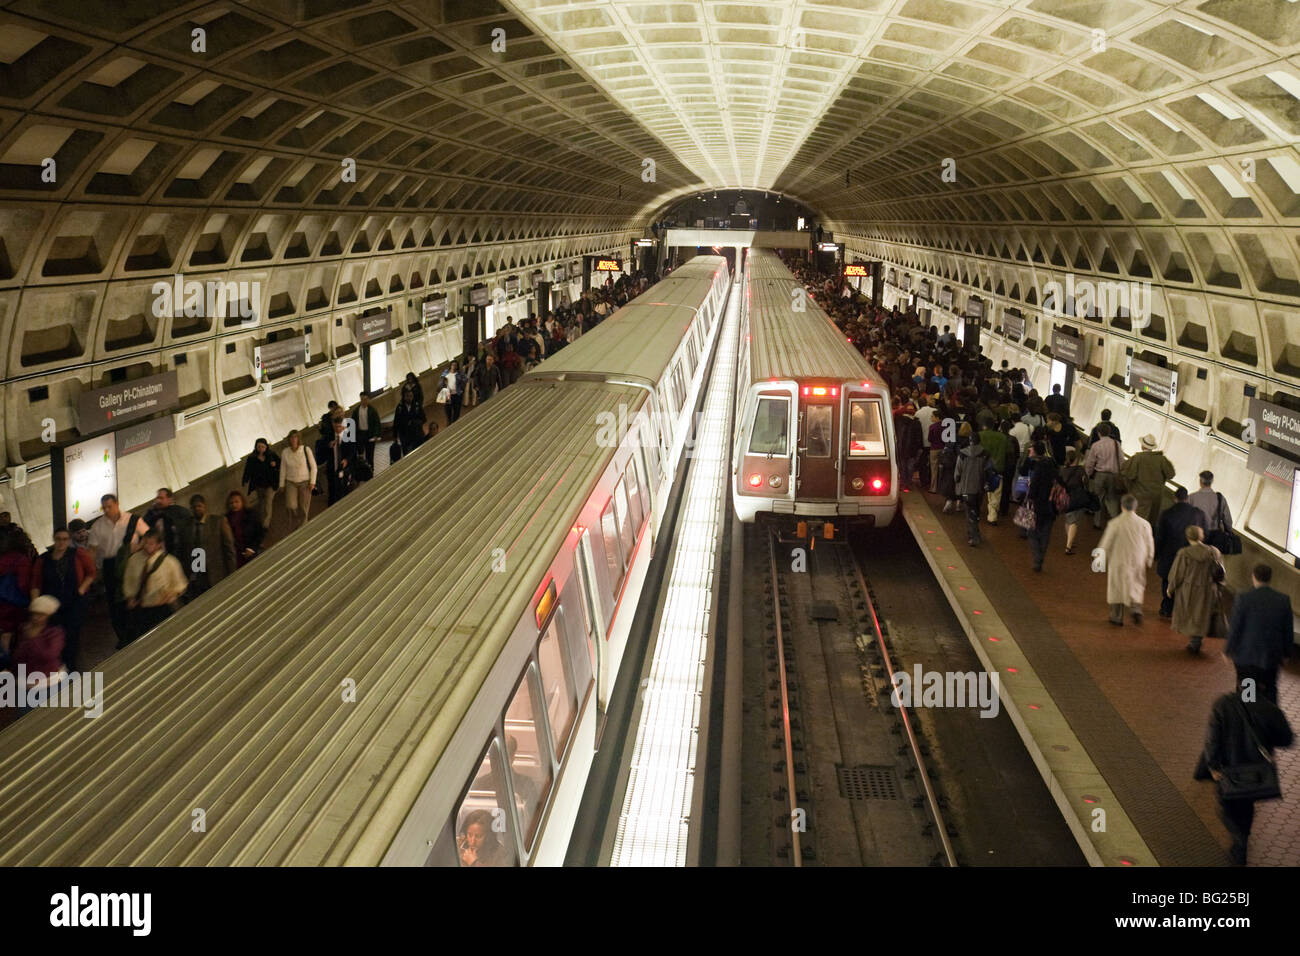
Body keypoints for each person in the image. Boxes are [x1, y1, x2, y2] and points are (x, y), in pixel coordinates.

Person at [1194, 691, 1293, 865]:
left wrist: (1213, 765)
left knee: (1228, 807)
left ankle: (1240, 843)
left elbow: (1212, 739)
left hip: (1229, 770)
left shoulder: (1223, 704)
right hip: (1256, 773)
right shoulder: (1269, 708)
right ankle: (1243, 837)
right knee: (1245, 806)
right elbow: (1286, 739)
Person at [85, 494, 149, 646]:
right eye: (104, 507)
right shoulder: (97, 526)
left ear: (117, 504)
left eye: (109, 506)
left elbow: (148, 535)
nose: (107, 510)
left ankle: (139, 630)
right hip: (110, 565)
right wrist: (91, 571)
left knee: (134, 595)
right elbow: (92, 551)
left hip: (131, 561)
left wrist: (138, 547)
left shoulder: (132, 520)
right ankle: (123, 635)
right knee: (115, 602)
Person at [1224, 564, 1293, 705]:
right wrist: (1287, 654)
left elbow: (1235, 627)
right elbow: (1287, 630)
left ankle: (1249, 720)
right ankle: (1268, 717)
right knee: (1269, 690)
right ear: (1270, 579)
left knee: (1247, 695)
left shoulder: (1243, 598)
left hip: (1246, 658)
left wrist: (1228, 650)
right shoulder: (1283, 600)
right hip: (1271, 657)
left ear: (1253, 576)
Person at [30, 526, 95, 671]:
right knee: (55, 636)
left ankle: (71, 667)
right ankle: (60, 666)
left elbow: (91, 572)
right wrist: (36, 606)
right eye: (58, 539)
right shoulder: (43, 559)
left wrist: (81, 590)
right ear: (54, 539)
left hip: (73, 601)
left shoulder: (77, 554)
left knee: (72, 635)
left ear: (69, 540)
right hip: (52, 605)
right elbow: (36, 582)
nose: (61, 543)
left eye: (65, 539)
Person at [120, 529, 187, 645]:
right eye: (145, 543)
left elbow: (180, 583)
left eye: (151, 544)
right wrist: (130, 597)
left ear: (159, 544)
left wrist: (173, 594)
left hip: (163, 608)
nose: (147, 546)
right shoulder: (133, 560)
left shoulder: (169, 561)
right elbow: (128, 581)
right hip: (142, 608)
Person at [1097, 495, 1155, 626]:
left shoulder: (1115, 523)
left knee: (1117, 588)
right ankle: (1136, 610)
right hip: (1138, 560)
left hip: (1119, 560)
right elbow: (1149, 543)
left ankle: (1116, 617)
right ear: (1136, 507)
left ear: (1122, 506)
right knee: (1136, 585)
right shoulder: (1145, 524)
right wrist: (1149, 558)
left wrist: (1098, 563)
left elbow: (1106, 543)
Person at [1167, 526, 1225, 654]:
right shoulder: (1214, 551)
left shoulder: (1184, 553)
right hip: (1208, 588)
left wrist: (1171, 588)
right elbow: (1221, 572)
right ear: (1202, 536)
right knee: (1201, 614)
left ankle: (1194, 641)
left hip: (1189, 589)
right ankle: (1197, 640)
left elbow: (1178, 574)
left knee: (1191, 614)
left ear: (1188, 537)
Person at [1154, 487, 1208, 618]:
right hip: (1191, 554)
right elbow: (1205, 533)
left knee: (1168, 580)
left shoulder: (1167, 513)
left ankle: (1167, 607)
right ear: (1187, 498)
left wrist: (1157, 554)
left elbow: (1160, 536)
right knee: (1185, 581)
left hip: (1169, 554)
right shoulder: (1199, 513)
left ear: (1175, 498)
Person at [11, 595, 66, 710]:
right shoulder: (24, 629)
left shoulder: (55, 633)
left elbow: (49, 655)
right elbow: (18, 655)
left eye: (40, 615)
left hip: (49, 683)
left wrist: (33, 638)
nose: (36, 618)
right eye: (34, 614)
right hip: (26, 684)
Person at [1019, 440, 1059, 572]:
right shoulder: (1052, 463)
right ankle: (1040, 556)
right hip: (1051, 504)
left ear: (1035, 451)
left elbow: (1031, 484)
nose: (1029, 450)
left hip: (1036, 503)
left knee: (1031, 531)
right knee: (1046, 532)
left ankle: (1038, 558)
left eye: (1031, 449)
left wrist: (1028, 496)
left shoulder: (1036, 465)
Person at [1122, 434, 1175, 526]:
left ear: (1142, 446)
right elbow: (1171, 474)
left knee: (1137, 521)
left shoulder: (1138, 458)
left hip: (1140, 496)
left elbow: (1128, 474)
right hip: (1156, 497)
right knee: (1151, 522)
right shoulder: (1161, 459)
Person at [1083, 422, 1124, 529]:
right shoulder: (1116, 444)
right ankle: (1114, 523)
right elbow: (1121, 461)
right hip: (1113, 476)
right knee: (1112, 499)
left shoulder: (1096, 445)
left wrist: (1088, 473)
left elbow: (1090, 462)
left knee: (1098, 498)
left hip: (1100, 475)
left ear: (1099, 432)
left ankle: (1097, 523)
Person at [953, 430, 991, 546]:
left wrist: (956, 480)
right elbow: (989, 470)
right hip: (980, 488)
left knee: (970, 513)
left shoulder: (962, 454)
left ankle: (974, 537)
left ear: (970, 441)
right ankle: (975, 533)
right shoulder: (985, 454)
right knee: (976, 511)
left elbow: (957, 472)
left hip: (966, 488)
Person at [189, 495, 228, 596]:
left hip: (218, 572)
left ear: (205, 506)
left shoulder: (217, 521)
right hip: (200, 575)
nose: (197, 509)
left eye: (199, 506)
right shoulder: (189, 526)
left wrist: (232, 572)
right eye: (194, 507)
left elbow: (228, 547)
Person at [279, 429, 317, 531]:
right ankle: (296, 520)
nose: (293, 440)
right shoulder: (285, 452)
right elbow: (283, 468)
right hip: (291, 482)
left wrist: (312, 482)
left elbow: (313, 467)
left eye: (295, 437)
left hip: (305, 481)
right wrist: (281, 484)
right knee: (291, 505)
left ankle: (304, 525)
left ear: (299, 439)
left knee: (304, 506)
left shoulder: (305, 449)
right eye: (291, 438)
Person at [1056, 447, 1090, 555]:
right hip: (1077, 498)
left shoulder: (1062, 470)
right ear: (1076, 459)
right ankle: (1068, 547)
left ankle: (1069, 540)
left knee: (1068, 519)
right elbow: (1086, 483)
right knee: (1074, 522)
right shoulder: (1080, 470)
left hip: (1065, 497)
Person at [315, 419, 358, 506]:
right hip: (332, 469)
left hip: (345, 469)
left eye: (339, 426)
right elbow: (321, 452)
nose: (338, 429)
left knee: (345, 490)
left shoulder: (348, 436)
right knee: (332, 491)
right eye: (336, 426)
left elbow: (352, 450)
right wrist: (328, 446)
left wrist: (346, 460)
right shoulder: (328, 437)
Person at [241, 439, 280, 530]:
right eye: (259, 447)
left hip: (270, 484)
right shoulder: (252, 458)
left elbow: (280, 462)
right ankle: (262, 521)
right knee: (261, 503)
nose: (261, 449)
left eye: (263, 447)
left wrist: (275, 464)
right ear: (256, 447)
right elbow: (248, 470)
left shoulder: (271, 455)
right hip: (259, 485)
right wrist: (245, 480)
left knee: (268, 502)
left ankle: (265, 524)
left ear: (266, 447)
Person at [1189, 471, 1234, 548]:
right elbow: (1228, 520)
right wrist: (1229, 531)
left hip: (1197, 535)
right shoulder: (1220, 498)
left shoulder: (1192, 497)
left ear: (1200, 482)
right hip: (1214, 537)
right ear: (1212, 481)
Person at [978, 416, 1009, 524]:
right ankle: (992, 515)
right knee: (995, 493)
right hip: (997, 468)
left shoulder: (980, 435)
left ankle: (976, 511)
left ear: (983, 425)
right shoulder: (1002, 437)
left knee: (979, 491)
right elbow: (1009, 452)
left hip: (981, 468)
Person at [222, 491, 263, 570]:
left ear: (242, 502)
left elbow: (259, 533)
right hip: (237, 555)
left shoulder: (251, 514)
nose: (234, 505)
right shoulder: (226, 519)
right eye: (231, 503)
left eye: (237, 502)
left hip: (251, 551)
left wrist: (251, 549)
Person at [350, 392, 381, 475]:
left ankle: (371, 470)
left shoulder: (372, 410)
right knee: (360, 453)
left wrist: (376, 434)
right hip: (360, 434)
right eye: (362, 399)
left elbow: (376, 423)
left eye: (365, 399)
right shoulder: (356, 411)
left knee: (370, 454)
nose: (364, 401)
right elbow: (352, 423)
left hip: (369, 434)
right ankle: (362, 471)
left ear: (368, 399)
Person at [393, 385, 428, 456]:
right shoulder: (399, 408)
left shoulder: (417, 406)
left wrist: (415, 422)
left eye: (411, 396)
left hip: (416, 433)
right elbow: (396, 422)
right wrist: (395, 436)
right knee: (407, 454)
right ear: (404, 396)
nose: (409, 398)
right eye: (407, 396)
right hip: (404, 435)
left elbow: (424, 418)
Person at [440, 360, 465, 424]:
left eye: (455, 365)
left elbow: (464, 380)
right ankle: (449, 423)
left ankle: (454, 422)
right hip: (448, 395)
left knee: (457, 411)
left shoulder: (459, 373)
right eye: (452, 365)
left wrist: (461, 388)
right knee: (448, 411)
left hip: (457, 395)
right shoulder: (446, 372)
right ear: (450, 366)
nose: (454, 366)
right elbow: (441, 382)